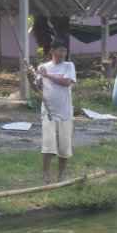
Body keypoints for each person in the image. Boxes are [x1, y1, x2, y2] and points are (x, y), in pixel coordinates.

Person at [29, 38, 76, 183]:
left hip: (65, 112)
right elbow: (36, 88)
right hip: (48, 112)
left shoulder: (69, 66)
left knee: (63, 146)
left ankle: (60, 175)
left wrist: (47, 76)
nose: (63, 54)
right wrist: (28, 77)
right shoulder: (43, 66)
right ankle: (46, 174)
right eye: (60, 50)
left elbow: (67, 82)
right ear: (52, 51)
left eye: (65, 51)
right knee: (48, 143)